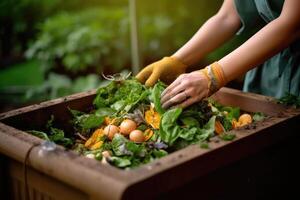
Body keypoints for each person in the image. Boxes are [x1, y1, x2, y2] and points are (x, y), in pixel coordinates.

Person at [136, 0, 300, 109]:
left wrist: (213, 76)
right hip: (268, 63)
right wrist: (176, 61)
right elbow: (227, 16)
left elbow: (291, 24)